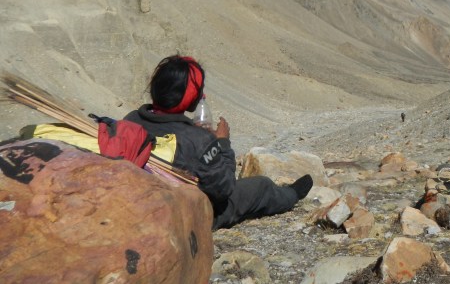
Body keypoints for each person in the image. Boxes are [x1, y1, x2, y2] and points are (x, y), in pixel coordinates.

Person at [125, 54, 313, 229]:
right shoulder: (198, 140)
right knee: (260, 186)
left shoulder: (131, 119)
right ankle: (291, 195)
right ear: (192, 100)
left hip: (137, 201)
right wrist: (222, 143)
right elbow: (224, 188)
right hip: (185, 214)